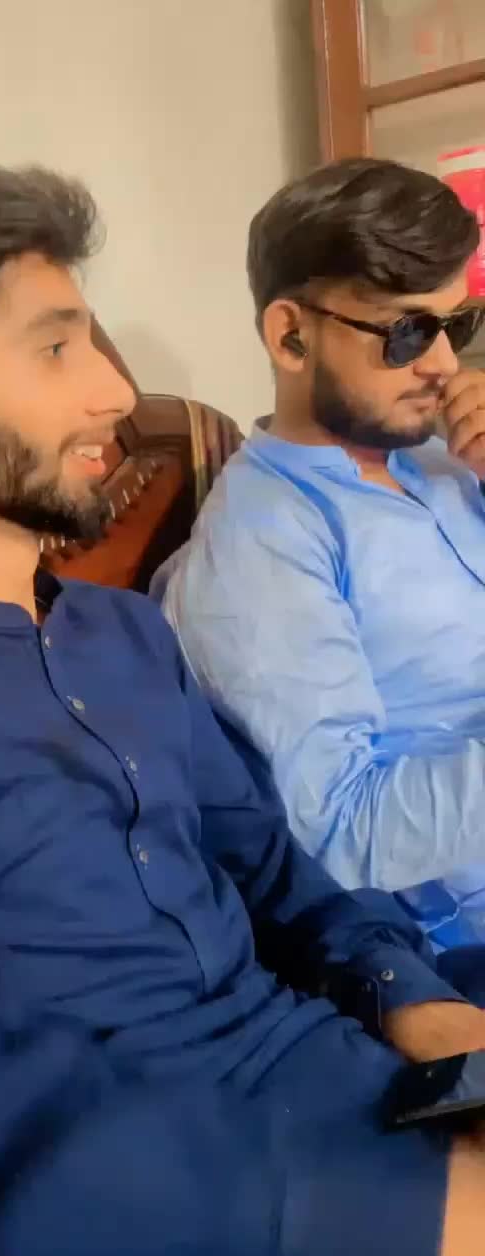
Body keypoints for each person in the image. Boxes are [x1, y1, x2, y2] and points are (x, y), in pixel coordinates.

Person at [0, 163, 485, 1256]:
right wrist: (401, 1216)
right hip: (133, 1187)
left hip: (333, 1077)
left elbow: (278, 872)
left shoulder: (127, 634)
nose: (114, 391)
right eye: (57, 349)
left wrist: (420, 1006)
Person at [155, 157, 485, 950]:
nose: (445, 364)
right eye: (408, 333)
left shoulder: (448, 461)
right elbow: (341, 832)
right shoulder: (263, 542)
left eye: (458, 324)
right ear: (291, 335)